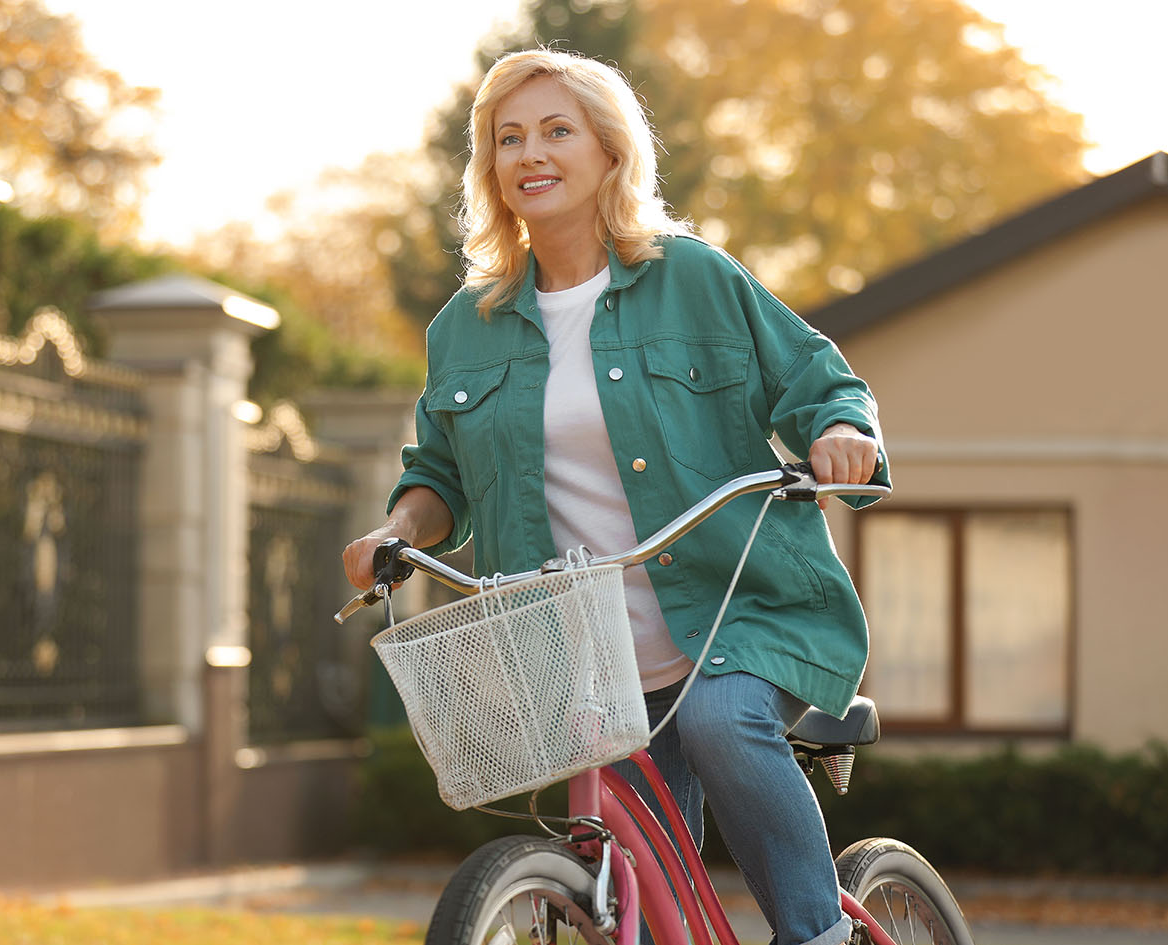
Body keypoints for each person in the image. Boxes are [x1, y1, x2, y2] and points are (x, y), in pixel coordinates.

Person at [343, 48, 888, 945]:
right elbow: (436, 476)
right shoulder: (463, 329)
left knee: (718, 720)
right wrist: (398, 527)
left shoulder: (693, 278)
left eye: (557, 130)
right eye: (507, 137)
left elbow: (819, 378)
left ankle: (817, 932)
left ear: (608, 150)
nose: (530, 153)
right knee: (630, 895)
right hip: (577, 656)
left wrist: (841, 433)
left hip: (732, 614)